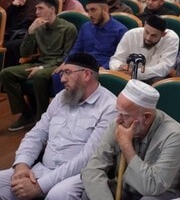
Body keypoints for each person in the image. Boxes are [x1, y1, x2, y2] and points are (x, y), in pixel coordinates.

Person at [0, 53, 117, 199]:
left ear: (87, 74)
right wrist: (22, 165)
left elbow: (88, 158)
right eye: (62, 73)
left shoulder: (109, 107)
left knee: (57, 195)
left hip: (79, 175)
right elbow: (36, 133)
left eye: (67, 72)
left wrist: (41, 185)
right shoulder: (61, 97)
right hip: (43, 168)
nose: (62, 79)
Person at [82, 79, 180, 199]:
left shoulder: (173, 135)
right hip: (125, 189)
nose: (118, 119)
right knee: (90, 194)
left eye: (125, 115)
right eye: (118, 111)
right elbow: (92, 169)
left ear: (146, 118)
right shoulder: (119, 123)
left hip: (159, 194)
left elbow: (152, 187)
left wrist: (126, 146)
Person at [0, 0, 78, 131]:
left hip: (58, 65)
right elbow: (24, 53)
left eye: (40, 8)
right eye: (36, 8)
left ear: (52, 9)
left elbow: (67, 57)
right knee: (6, 73)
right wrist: (30, 32)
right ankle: (26, 114)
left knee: (40, 75)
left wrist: (42, 67)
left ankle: (41, 118)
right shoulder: (39, 27)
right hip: (40, 62)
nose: (36, 12)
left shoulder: (68, 28)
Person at [110, 15, 179, 84]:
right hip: (128, 76)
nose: (148, 38)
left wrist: (136, 72)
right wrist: (119, 67)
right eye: (147, 32)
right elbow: (116, 59)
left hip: (153, 77)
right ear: (144, 25)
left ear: (163, 34)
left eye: (153, 35)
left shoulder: (171, 39)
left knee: (158, 81)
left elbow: (165, 68)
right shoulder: (131, 35)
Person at [5, 0, 36, 68]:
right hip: (14, 34)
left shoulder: (33, 7)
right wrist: (12, 7)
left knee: (10, 45)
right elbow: (6, 23)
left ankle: (12, 69)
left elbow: (29, 23)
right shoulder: (15, 8)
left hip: (28, 36)